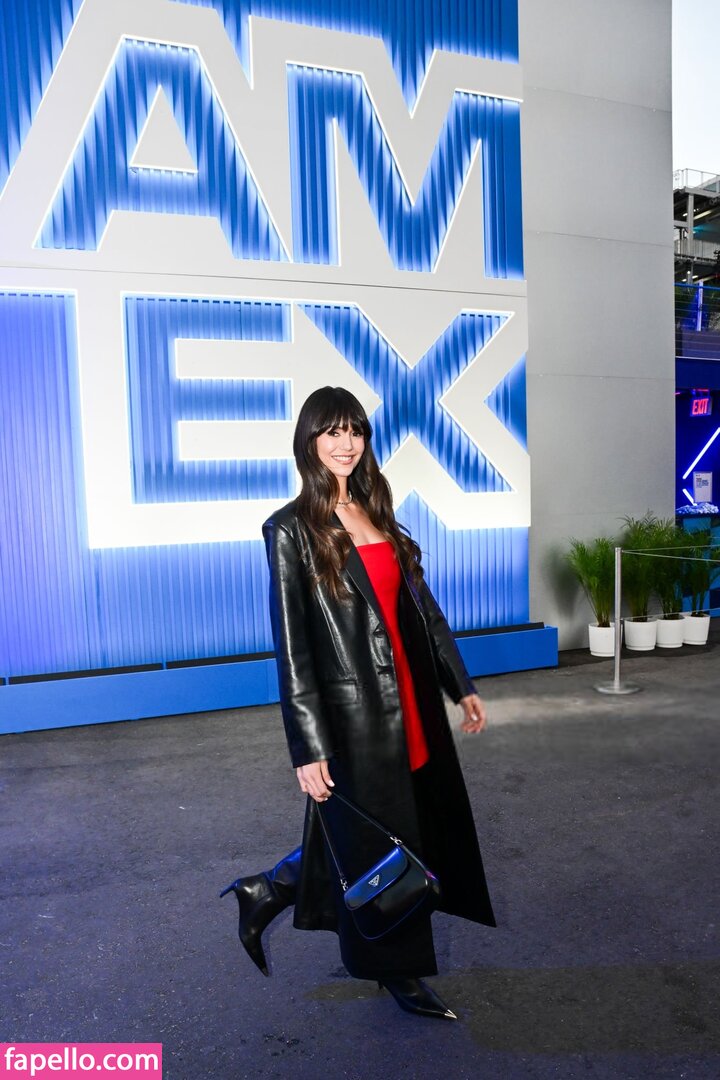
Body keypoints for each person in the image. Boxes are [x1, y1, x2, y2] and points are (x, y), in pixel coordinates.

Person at [221, 386, 496, 1020]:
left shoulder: (377, 509)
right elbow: (293, 648)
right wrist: (307, 745)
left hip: (412, 705)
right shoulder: (290, 529)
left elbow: (423, 610)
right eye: (332, 432)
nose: (346, 444)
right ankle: (398, 971)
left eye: (355, 431)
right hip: (354, 720)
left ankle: (267, 889)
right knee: (385, 841)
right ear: (310, 442)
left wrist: (460, 684)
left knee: (382, 830)